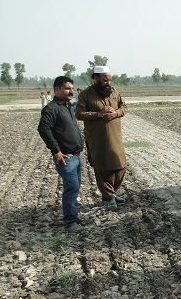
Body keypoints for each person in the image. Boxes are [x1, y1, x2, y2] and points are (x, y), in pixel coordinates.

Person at [75, 65, 128, 211]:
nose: (108, 83)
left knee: (121, 165)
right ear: (96, 78)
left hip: (115, 137)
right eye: (105, 80)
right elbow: (79, 114)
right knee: (102, 166)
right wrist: (98, 114)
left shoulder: (114, 92)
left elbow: (124, 107)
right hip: (97, 138)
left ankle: (110, 192)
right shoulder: (85, 95)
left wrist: (115, 114)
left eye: (109, 80)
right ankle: (109, 195)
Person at [38, 76, 86, 233]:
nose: (71, 91)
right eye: (67, 88)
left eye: (72, 88)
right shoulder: (52, 108)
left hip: (76, 156)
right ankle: (70, 222)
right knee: (71, 188)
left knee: (75, 187)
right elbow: (43, 128)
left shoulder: (67, 106)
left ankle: (74, 217)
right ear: (56, 90)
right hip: (66, 158)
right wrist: (56, 150)